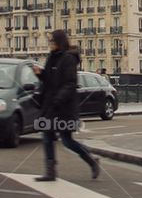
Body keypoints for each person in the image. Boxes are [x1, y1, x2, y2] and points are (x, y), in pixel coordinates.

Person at [33, 30, 100, 181]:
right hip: (50, 105)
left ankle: (91, 160)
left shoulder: (68, 59)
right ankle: (50, 172)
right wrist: (40, 74)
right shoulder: (52, 58)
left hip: (63, 107)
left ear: (59, 42)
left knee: (67, 141)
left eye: (52, 41)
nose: (50, 44)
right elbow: (50, 80)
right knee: (47, 137)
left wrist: (58, 99)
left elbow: (70, 83)